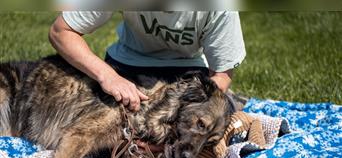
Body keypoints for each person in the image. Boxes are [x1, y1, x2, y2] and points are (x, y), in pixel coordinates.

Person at [49, 11, 246, 113]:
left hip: (187, 68)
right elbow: (61, 32)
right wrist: (107, 76)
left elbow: (221, 75)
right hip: (127, 66)